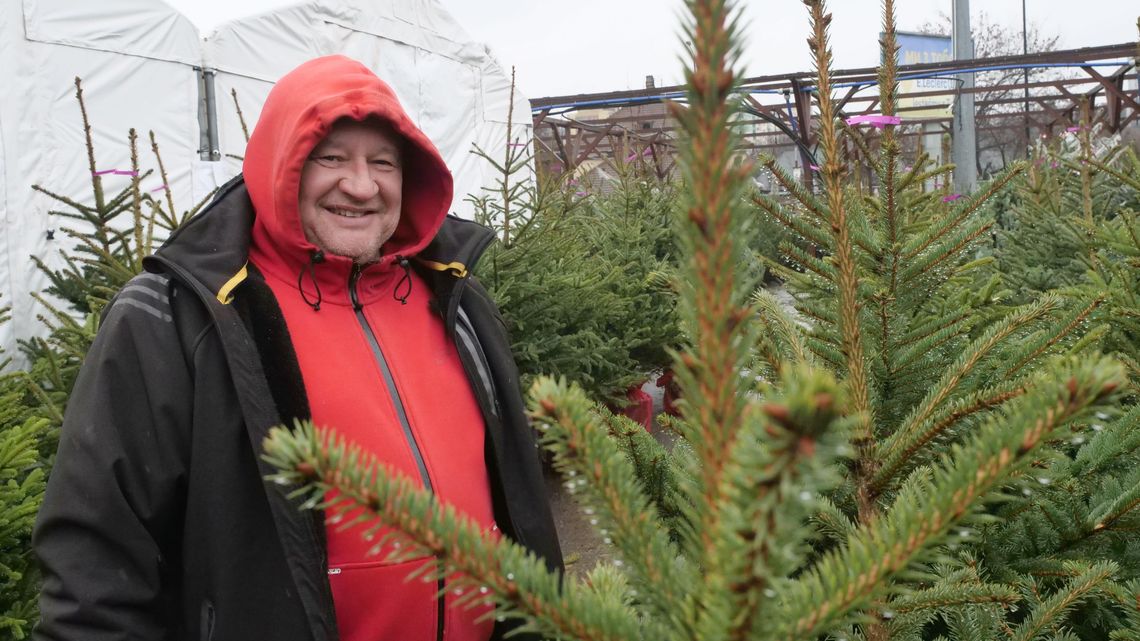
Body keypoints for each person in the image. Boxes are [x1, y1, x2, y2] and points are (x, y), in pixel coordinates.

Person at [33, 55, 563, 641]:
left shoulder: (457, 298)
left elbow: (521, 507)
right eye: (329, 158)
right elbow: (96, 563)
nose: (360, 185)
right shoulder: (181, 314)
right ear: (279, 164)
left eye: (383, 162)